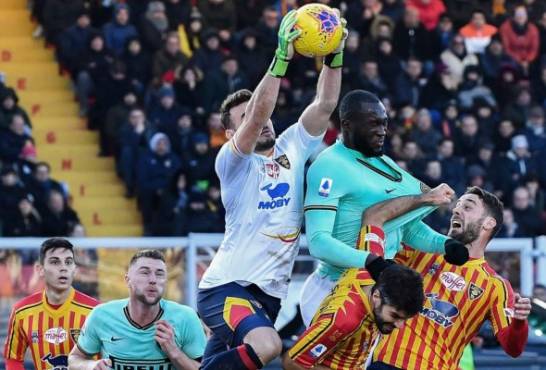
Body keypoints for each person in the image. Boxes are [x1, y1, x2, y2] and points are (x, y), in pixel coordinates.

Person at [197, 9, 347, 370]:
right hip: (228, 286)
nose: (260, 122)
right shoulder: (232, 162)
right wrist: (281, 58)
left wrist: (336, 54)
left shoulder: (293, 144)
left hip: (270, 295)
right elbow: (260, 112)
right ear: (233, 133)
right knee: (268, 346)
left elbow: (326, 104)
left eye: (258, 114)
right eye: (246, 117)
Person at [299, 89, 469, 326]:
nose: (382, 131)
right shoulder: (328, 166)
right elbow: (318, 242)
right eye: (373, 124)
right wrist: (372, 262)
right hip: (332, 290)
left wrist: (445, 244)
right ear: (347, 124)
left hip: (373, 292)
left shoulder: (385, 163)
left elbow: (405, 228)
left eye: (384, 123)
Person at [284, 184, 455, 369]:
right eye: (396, 315)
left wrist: (425, 198)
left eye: (403, 319)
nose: (399, 325)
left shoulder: (369, 267)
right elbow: (292, 362)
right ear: (376, 297)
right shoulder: (344, 320)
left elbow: (374, 215)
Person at [370, 187, 531, 370]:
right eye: (458, 205)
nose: (456, 209)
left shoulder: (495, 285)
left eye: (467, 207)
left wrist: (519, 321)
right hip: (387, 363)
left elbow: (513, 348)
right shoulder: (421, 249)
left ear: (488, 223)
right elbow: (379, 231)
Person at [68, 249, 206, 370]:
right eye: (145, 272)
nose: (153, 280)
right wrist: (90, 366)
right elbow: (74, 359)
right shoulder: (101, 315)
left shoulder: (186, 317)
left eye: (159, 274)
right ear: (127, 280)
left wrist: (174, 352)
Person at [3, 238, 99, 370]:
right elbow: (13, 359)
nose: (63, 268)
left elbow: (106, 359)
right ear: (40, 269)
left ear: (74, 270)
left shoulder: (95, 311)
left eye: (68, 262)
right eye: (55, 262)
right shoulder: (22, 311)